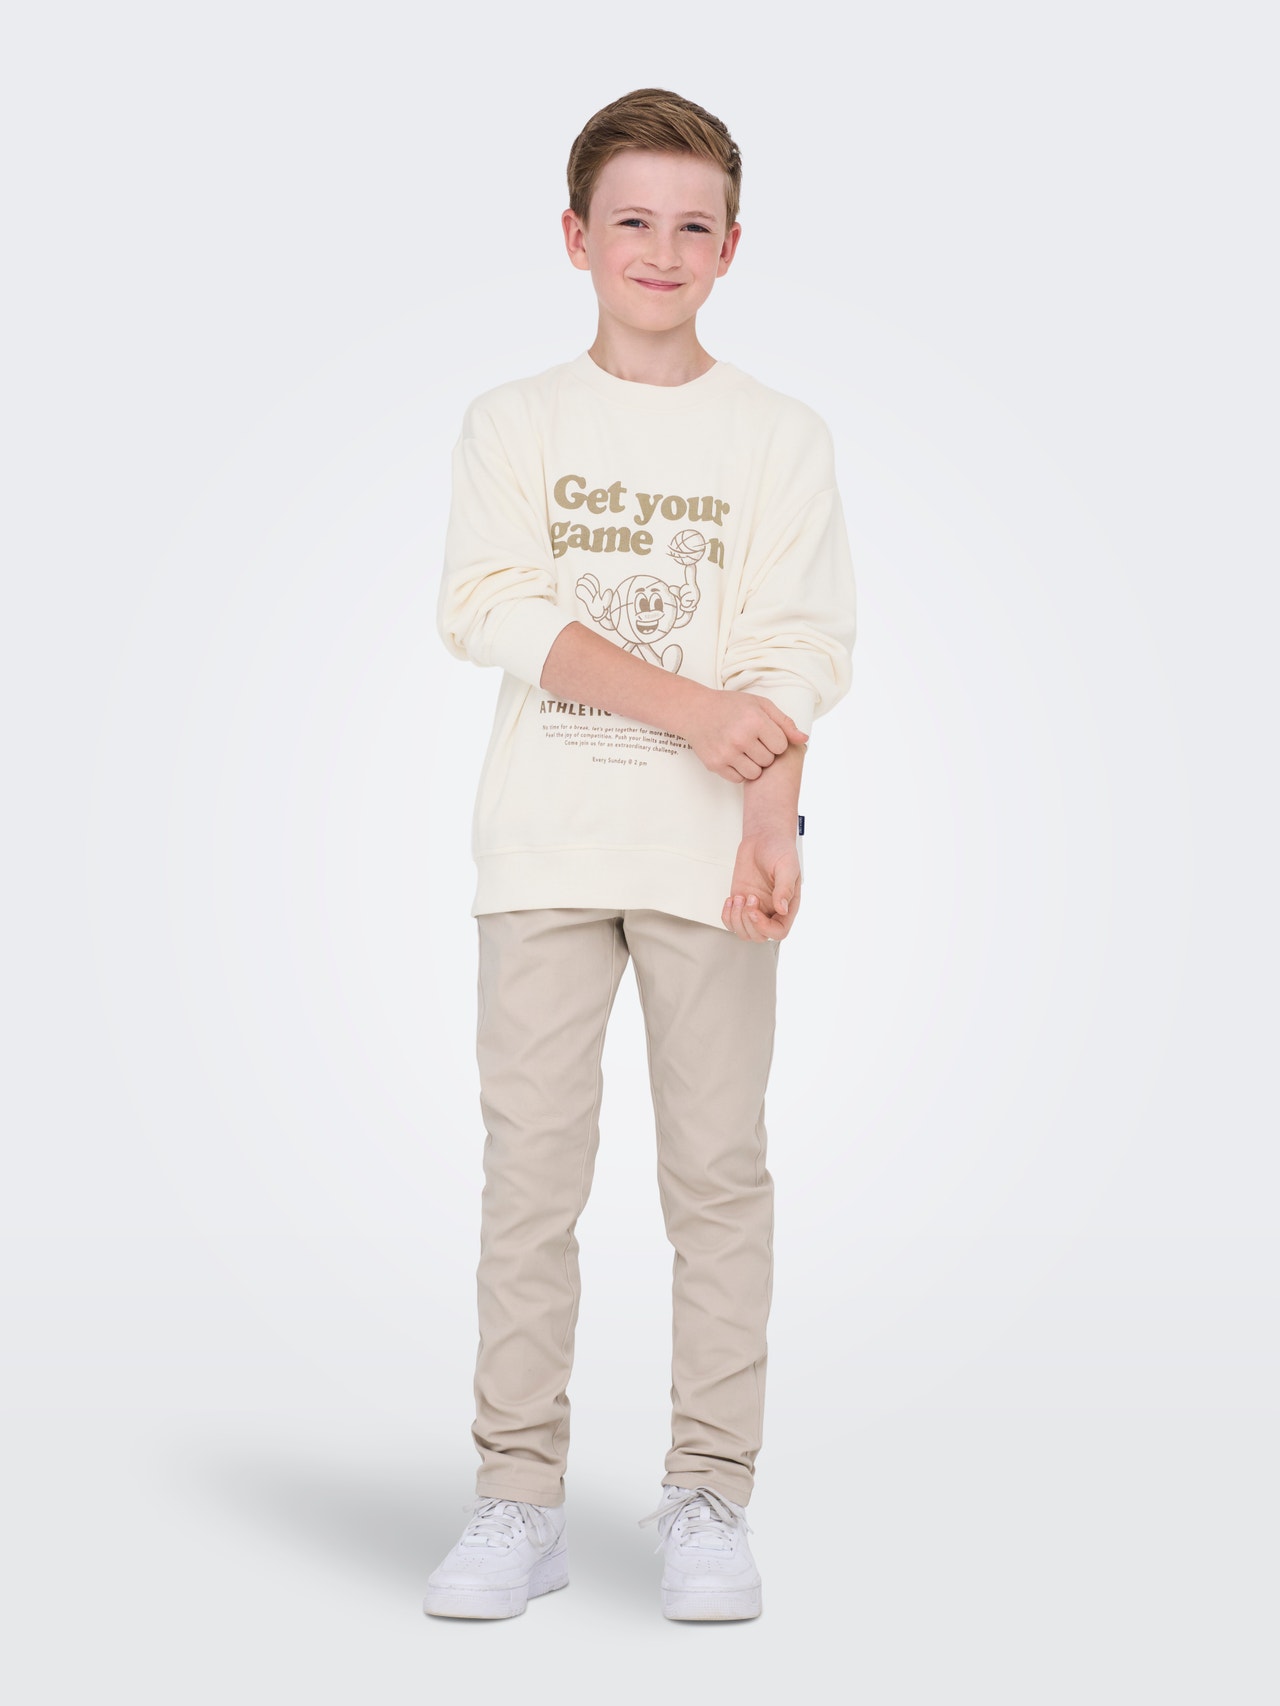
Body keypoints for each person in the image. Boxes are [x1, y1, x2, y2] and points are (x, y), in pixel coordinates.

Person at [423, 87, 858, 1623]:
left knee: (718, 1172)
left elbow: (798, 650)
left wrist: (768, 820)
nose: (660, 250)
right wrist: (694, 708)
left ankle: (708, 1492)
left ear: (732, 246)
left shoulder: (779, 437)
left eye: (692, 225)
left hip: (709, 863)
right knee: (530, 1177)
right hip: (544, 850)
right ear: (575, 236)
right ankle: (517, 1495)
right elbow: (493, 609)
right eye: (632, 221)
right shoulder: (516, 422)